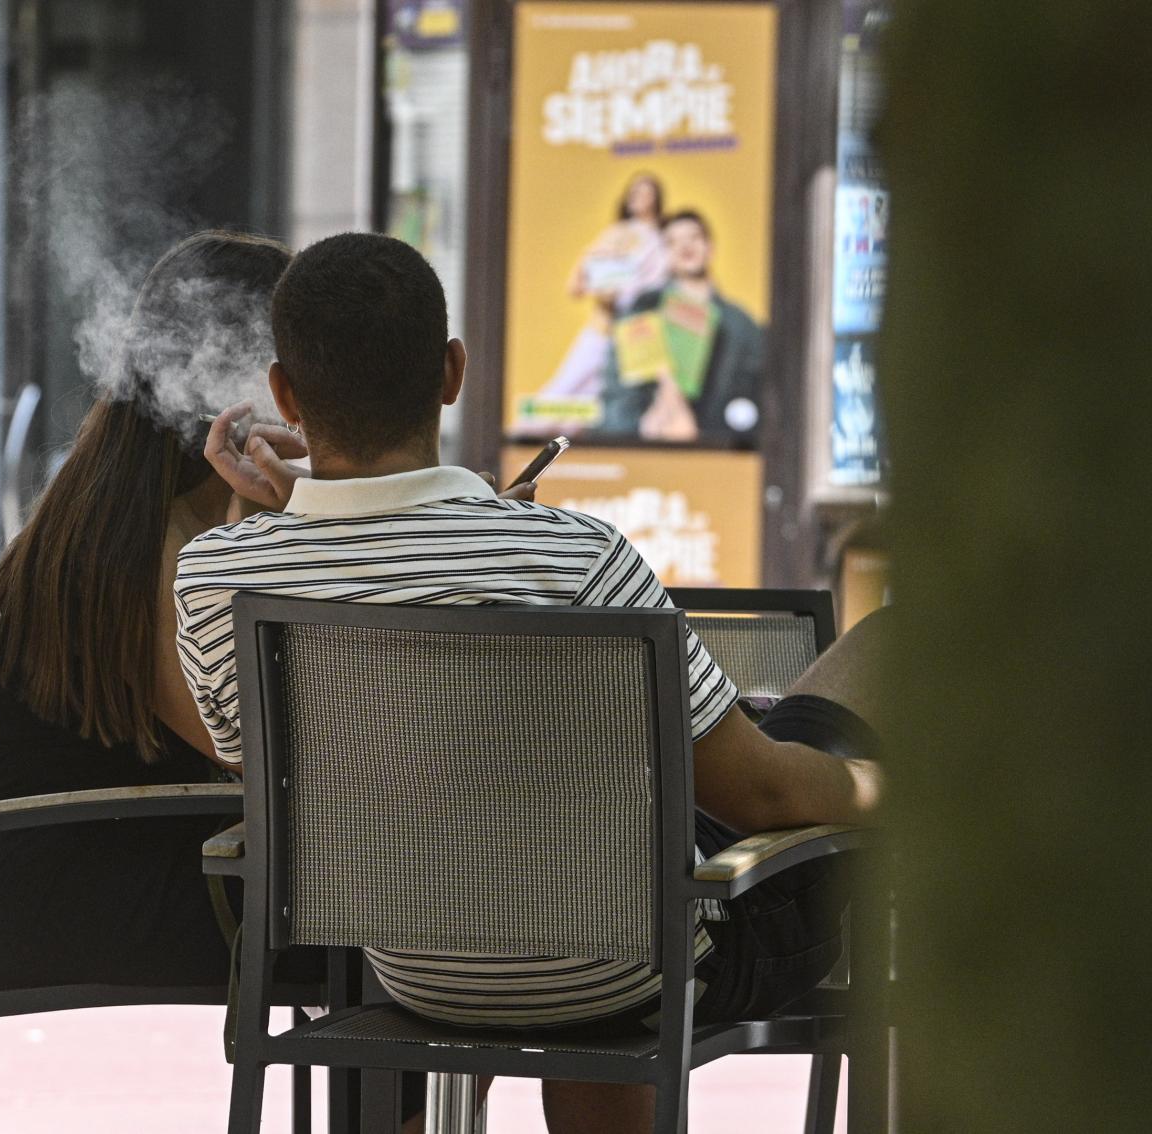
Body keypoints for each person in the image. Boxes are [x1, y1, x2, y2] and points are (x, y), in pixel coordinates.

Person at [175, 232, 884, 1133]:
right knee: (887, 650)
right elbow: (762, 793)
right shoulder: (574, 557)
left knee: (597, 857)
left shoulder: (217, 577)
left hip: (417, 970)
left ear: (284, 392)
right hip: (631, 971)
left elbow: (277, 769)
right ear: (451, 371)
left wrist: (282, 514)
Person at [0, 231, 311, 991]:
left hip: (89, 865)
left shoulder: (115, 509)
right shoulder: (156, 544)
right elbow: (248, 747)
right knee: (401, 932)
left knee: (402, 921)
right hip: (64, 896)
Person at [603, 209, 764, 443]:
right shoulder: (642, 312)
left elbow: (760, 399)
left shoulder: (741, 326)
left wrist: (704, 433)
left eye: (694, 237)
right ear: (664, 254)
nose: (685, 246)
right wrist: (641, 426)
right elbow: (617, 395)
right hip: (648, 450)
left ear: (710, 247)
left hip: (719, 452)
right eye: (672, 242)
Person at [530, 173, 671, 420]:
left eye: (645, 193)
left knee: (628, 407)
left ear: (656, 199)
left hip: (642, 333)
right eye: (634, 193)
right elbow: (576, 285)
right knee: (565, 390)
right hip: (606, 328)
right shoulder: (618, 233)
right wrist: (604, 281)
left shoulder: (667, 239)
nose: (638, 198)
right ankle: (529, 437)